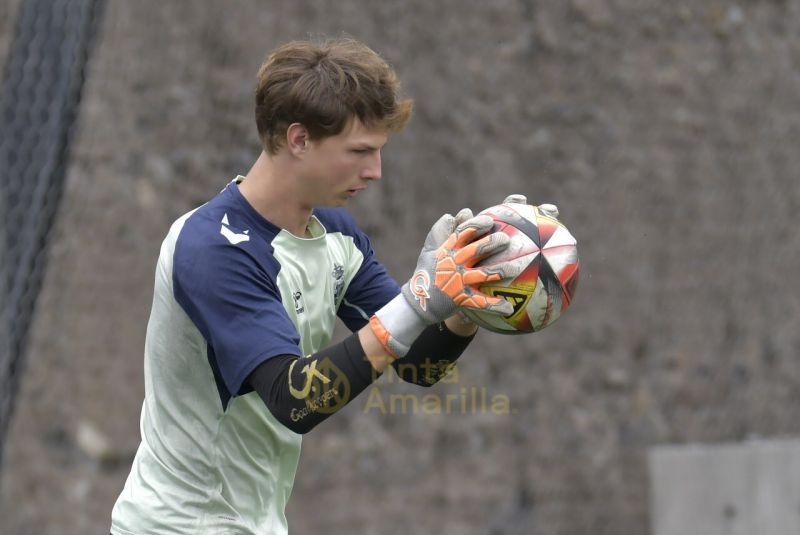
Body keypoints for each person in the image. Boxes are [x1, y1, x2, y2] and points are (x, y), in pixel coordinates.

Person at [110, 37, 522, 534]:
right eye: (360, 152)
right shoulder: (214, 248)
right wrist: (417, 299)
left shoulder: (335, 234)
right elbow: (293, 399)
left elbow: (417, 364)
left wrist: (462, 299)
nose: (374, 172)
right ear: (299, 139)